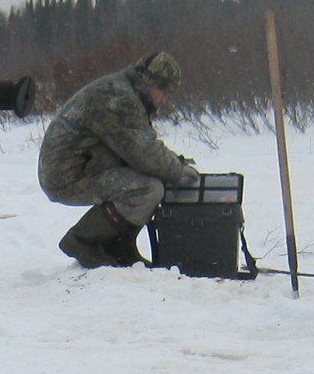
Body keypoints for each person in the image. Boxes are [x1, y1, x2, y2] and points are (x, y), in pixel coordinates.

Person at [37, 51, 198, 268]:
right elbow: (145, 153)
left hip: (81, 165)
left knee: (150, 181)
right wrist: (178, 172)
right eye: (164, 92)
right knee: (146, 189)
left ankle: (119, 246)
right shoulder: (119, 99)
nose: (164, 100)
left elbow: (140, 146)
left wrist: (172, 164)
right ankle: (82, 240)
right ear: (151, 83)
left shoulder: (123, 91)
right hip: (66, 176)